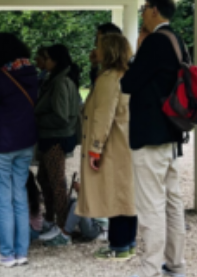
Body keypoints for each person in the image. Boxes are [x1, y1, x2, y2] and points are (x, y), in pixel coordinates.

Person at [121, 0, 188, 277]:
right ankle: (175, 264)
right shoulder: (178, 41)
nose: (142, 13)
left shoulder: (155, 42)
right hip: (172, 134)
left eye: (144, 8)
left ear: (154, 10)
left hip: (150, 134)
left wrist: (137, 51)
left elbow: (128, 83)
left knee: (151, 206)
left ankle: (150, 269)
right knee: (172, 202)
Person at [78, 33, 137, 262]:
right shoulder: (126, 75)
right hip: (125, 144)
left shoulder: (109, 78)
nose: (96, 51)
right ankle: (127, 243)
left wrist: (95, 148)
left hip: (113, 147)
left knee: (116, 196)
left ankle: (119, 245)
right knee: (127, 195)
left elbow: (103, 116)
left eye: (99, 47)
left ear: (109, 51)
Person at [0, 32, 39, 267]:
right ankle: (21, 251)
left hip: (0, 144)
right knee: (20, 197)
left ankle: (6, 253)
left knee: (3, 200)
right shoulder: (32, 73)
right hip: (25, 143)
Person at [35, 44, 82, 247]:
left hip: (56, 137)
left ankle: (63, 228)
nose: (42, 62)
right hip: (50, 137)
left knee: (56, 182)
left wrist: (35, 119)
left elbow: (61, 117)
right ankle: (51, 220)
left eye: (46, 58)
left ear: (55, 60)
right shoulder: (54, 79)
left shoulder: (60, 82)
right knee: (45, 177)